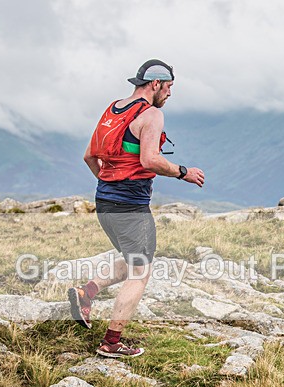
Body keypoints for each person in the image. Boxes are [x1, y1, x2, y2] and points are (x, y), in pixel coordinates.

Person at [69, 59, 205, 357]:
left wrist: (110, 184)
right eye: (168, 87)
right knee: (141, 272)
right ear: (155, 84)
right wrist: (184, 172)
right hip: (130, 205)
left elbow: (89, 156)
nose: (170, 93)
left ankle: (86, 292)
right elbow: (150, 160)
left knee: (135, 260)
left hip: (104, 201)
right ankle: (112, 342)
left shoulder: (114, 109)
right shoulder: (151, 114)